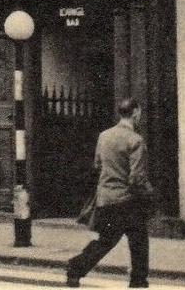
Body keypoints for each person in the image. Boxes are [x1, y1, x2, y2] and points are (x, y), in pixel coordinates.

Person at [66, 98, 153, 288]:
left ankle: (75, 269)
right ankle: (138, 281)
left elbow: (97, 164)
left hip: (106, 200)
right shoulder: (136, 140)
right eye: (140, 113)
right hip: (128, 200)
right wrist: (149, 194)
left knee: (106, 241)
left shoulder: (104, 136)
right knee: (139, 239)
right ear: (136, 112)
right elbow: (136, 178)